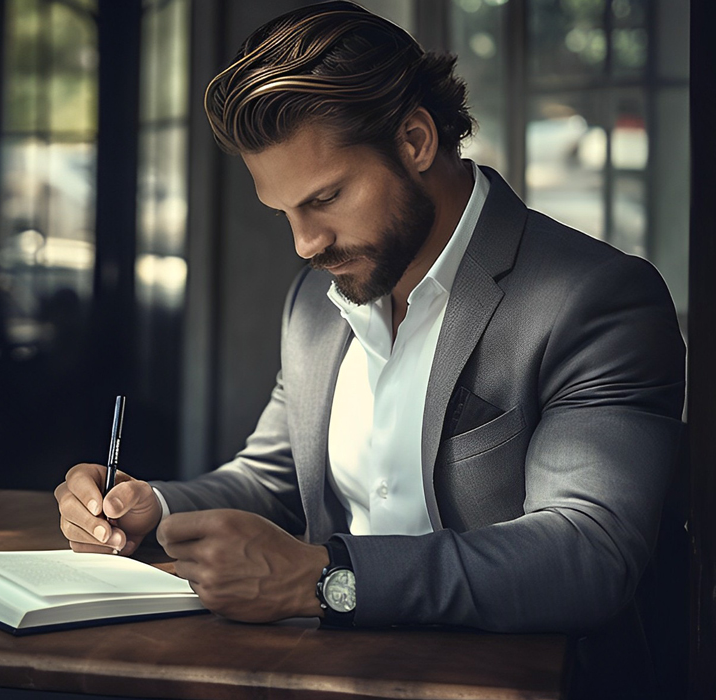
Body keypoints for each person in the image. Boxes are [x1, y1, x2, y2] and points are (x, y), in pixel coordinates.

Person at [54, 2, 684, 695]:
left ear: (415, 140)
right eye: (285, 213)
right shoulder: (315, 304)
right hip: (327, 676)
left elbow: (587, 555)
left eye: (325, 198)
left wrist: (324, 580)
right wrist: (153, 510)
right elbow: (276, 482)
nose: (304, 243)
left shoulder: (593, 299)